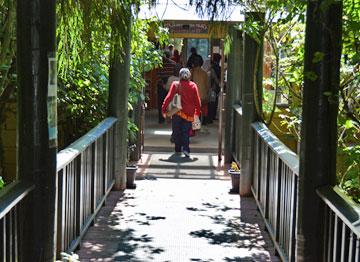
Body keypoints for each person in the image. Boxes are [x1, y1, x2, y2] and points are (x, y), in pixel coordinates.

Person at [162, 68, 201, 157]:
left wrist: (163, 109)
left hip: (177, 112)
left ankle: (177, 149)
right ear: (189, 76)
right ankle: (186, 149)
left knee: (176, 131)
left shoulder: (175, 85)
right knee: (185, 132)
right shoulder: (193, 85)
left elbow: (168, 98)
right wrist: (197, 112)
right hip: (189, 113)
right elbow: (197, 101)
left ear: (179, 76)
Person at [157, 51, 176, 123]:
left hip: (162, 86)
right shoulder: (173, 64)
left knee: (161, 103)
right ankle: (169, 118)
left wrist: (163, 84)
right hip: (170, 85)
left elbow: (158, 76)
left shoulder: (160, 65)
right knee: (170, 103)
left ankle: (162, 119)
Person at [191, 56, 209, 124]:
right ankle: (201, 122)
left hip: (193, 96)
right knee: (202, 108)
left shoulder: (191, 72)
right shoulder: (205, 73)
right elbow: (207, 86)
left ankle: (194, 123)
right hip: (202, 96)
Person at [207, 53, 221, 123]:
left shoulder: (211, 67)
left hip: (210, 87)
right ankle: (212, 116)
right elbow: (217, 79)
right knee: (214, 102)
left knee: (211, 102)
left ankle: (210, 116)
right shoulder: (217, 67)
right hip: (214, 87)